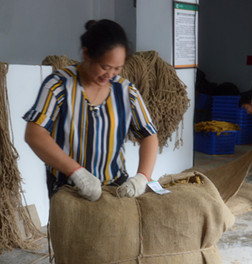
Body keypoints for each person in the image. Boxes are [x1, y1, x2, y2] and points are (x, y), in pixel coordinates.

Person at [23, 19, 159, 202]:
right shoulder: (59, 85)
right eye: (105, 67)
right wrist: (77, 173)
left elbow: (149, 135)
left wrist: (142, 177)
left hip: (114, 189)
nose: (110, 74)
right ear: (87, 54)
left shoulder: (126, 92)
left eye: (117, 69)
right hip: (68, 190)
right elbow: (35, 134)